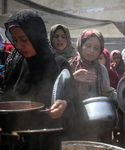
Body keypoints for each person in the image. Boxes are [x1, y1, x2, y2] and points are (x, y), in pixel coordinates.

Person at [1, 9, 79, 140]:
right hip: (16, 137)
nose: (19, 45)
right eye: (15, 40)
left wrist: (64, 104)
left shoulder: (59, 64)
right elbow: (6, 95)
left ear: (36, 36)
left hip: (46, 138)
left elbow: (75, 101)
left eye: (24, 39)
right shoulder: (16, 62)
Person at [70, 28, 117, 143]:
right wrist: (73, 77)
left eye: (96, 48)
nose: (91, 50)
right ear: (80, 45)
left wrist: (122, 98)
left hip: (94, 121)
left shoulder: (101, 70)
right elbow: (59, 90)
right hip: (72, 119)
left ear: (101, 50)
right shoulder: (71, 65)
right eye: (88, 45)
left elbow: (108, 92)